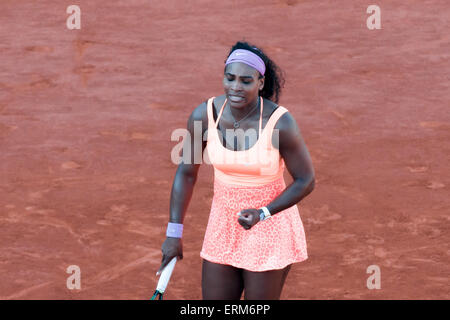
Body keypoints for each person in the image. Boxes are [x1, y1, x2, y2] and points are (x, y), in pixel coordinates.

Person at [157, 41, 315, 300]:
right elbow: (186, 173)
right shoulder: (205, 115)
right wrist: (174, 233)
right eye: (230, 78)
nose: (235, 88)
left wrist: (263, 213)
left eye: (245, 81)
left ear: (260, 83)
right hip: (222, 225)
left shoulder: (280, 123)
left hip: (268, 227)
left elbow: (306, 180)